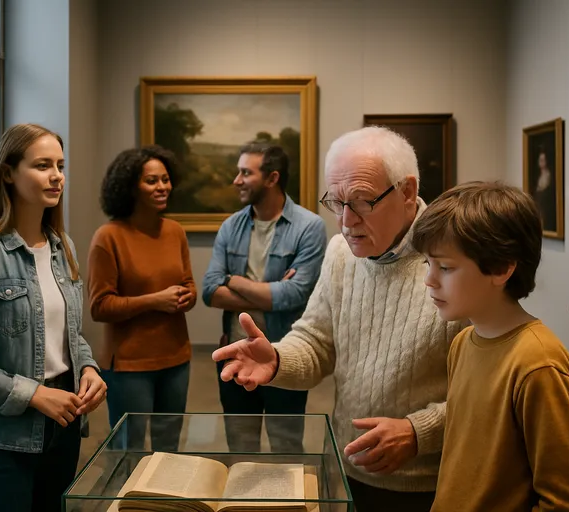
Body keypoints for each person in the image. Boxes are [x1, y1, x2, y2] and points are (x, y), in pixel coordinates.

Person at [212, 126, 464, 512]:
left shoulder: (453, 259)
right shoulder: (341, 253)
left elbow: (487, 394)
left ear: (408, 191)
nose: (346, 222)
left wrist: (420, 432)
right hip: (349, 467)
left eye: (362, 202)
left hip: (429, 481)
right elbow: (316, 342)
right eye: (336, 202)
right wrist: (277, 359)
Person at [0, 123, 106, 512]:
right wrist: (34, 394)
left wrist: (89, 368)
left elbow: (69, 335)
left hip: (64, 424)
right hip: (1, 436)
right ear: (8, 172)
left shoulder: (62, 247)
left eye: (60, 166)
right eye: (42, 165)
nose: (56, 176)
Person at [411, 181, 569, 511]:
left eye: (446, 267)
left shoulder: (538, 365)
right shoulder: (464, 343)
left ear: (501, 268)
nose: (430, 280)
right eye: (428, 264)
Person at [202, 142, 327, 453]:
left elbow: (296, 295)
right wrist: (270, 292)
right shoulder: (232, 225)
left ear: (272, 178)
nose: (237, 180)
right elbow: (209, 291)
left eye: (246, 172)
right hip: (234, 353)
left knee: (287, 447)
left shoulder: (309, 227)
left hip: (284, 355)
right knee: (240, 448)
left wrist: (232, 282)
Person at [88, 145, 196, 452]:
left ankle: (164, 502)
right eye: (152, 181)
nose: (162, 187)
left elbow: (188, 284)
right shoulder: (108, 237)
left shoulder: (174, 231)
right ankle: (125, 500)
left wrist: (187, 296)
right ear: (130, 187)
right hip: (128, 364)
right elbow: (100, 306)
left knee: (169, 445)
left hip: (176, 357)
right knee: (128, 447)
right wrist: (155, 301)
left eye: (165, 179)